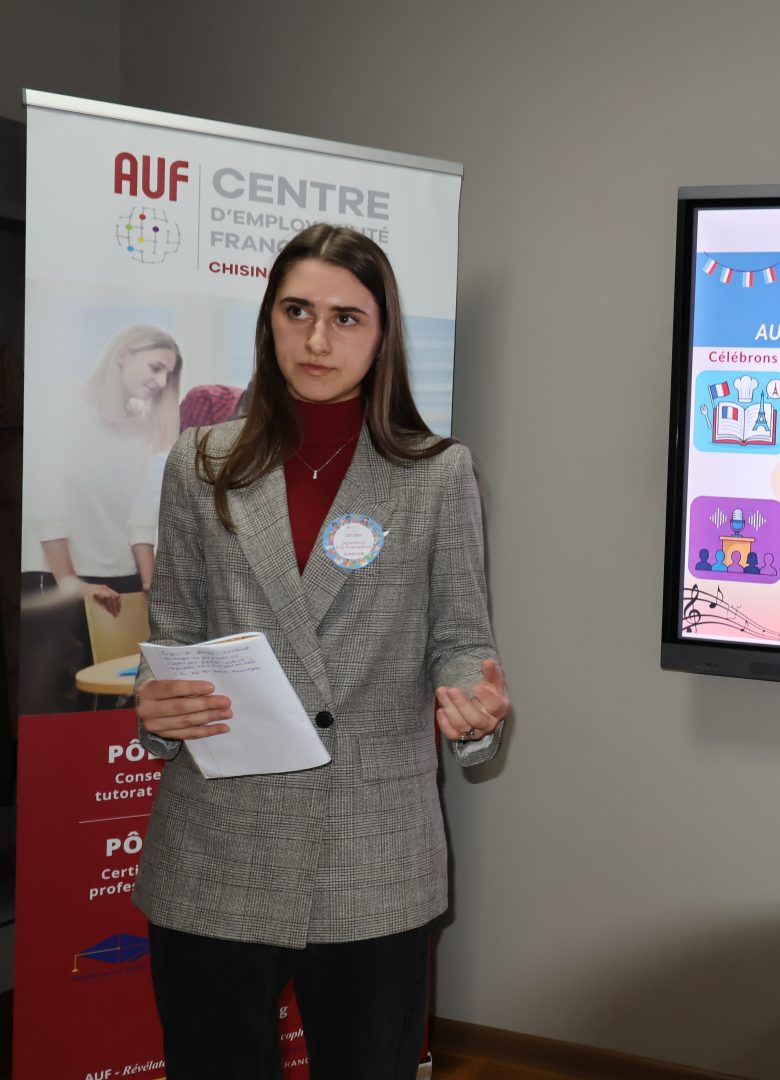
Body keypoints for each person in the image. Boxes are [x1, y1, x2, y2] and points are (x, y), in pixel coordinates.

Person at [131, 223, 509, 1080]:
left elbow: (461, 642)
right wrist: (155, 710)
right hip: (216, 843)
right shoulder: (200, 462)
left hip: (370, 848)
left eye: (346, 318)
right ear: (269, 319)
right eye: (297, 311)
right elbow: (175, 634)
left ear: (382, 336)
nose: (316, 339)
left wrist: (474, 709)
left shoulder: (435, 473)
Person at [18, 324, 182, 712]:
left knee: (121, 702)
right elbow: (47, 507)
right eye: (156, 367)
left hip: (121, 582)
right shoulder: (62, 412)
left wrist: (149, 582)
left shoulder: (140, 427)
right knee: (64, 704)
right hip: (60, 580)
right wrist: (70, 582)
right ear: (122, 355)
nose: (162, 382)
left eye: (169, 374)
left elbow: (140, 513)